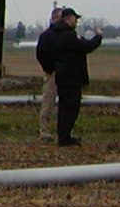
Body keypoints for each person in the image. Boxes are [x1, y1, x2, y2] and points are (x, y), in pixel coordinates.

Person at [39, 7, 101, 146]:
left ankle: (62, 135)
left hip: (61, 74)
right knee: (67, 107)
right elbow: (85, 47)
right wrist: (98, 37)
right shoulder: (65, 35)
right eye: (74, 18)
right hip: (68, 76)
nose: (76, 21)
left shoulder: (58, 34)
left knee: (64, 107)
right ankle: (61, 137)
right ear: (67, 18)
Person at [34, 5, 63, 142]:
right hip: (52, 73)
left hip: (65, 73)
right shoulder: (46, 36)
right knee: (48, 103)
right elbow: (40, 54)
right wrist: (49, 69)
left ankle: (62, 131)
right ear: (53, 18)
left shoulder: (65, 35)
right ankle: (44, 131)